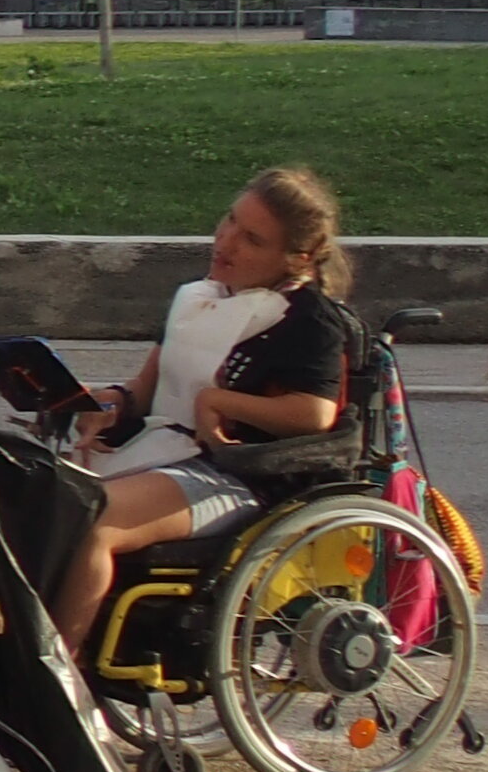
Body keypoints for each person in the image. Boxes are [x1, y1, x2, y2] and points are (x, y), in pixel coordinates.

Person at [48, 169, 361, 648]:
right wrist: (108, 404)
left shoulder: (308, 320)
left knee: (94, 518)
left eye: (252, 239)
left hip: (240, 474)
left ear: (297, 258)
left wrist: (218, 400)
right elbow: (146, 389)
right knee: (33, 496)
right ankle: (10, 658)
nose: (226, 241)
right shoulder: (201, 299)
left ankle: (57, 672)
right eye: (230, 220)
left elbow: (314, 414)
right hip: (168, 452)